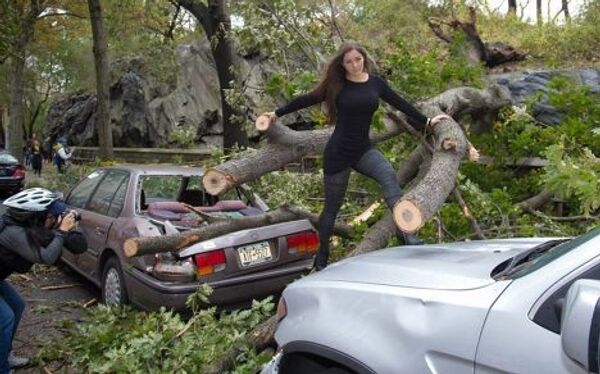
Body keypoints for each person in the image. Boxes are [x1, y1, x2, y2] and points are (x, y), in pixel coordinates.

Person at [261, 40, 478, 270]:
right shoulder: (337, 86)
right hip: (338, 154)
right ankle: (322, 253)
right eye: (349, 62)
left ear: (364, 58)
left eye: (358, 59)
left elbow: (400, 102)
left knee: (389, 178)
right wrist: (276, 113)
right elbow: (306, 98)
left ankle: (406, 234)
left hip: (363, 149)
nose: (355, 65)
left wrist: (427, 121)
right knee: (331, 209)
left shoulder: (375, 83)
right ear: (342, 65)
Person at [0, 188, 87, 373]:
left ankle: (5, 355)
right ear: (35, 216)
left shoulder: (28, 227)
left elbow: (78, 246)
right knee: (5, 318)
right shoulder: (12, 232)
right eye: (51, 215)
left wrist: (69, 231)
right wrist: (62, 232)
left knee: (16, 306)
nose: (55, 218)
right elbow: (47, 257)